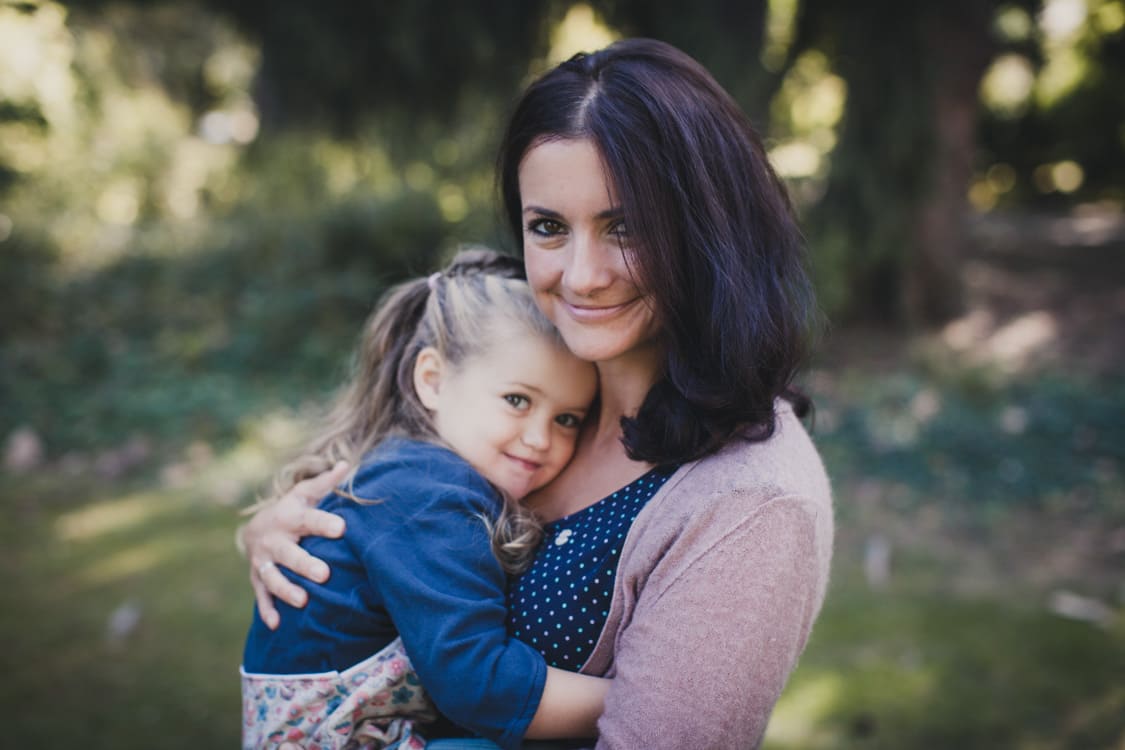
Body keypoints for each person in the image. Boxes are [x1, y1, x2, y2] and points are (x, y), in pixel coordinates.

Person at [242, 38, 833, 749]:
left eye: (626, 227)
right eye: (548, 227)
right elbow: (387, 529)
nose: (580, 276)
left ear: (707, 229)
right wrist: (290, 535)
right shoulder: (537, 401)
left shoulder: (747, 502)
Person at [240, 249, 607, 749]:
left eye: (567, 419)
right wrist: (636, 698)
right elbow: (482, 686)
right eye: (517, 400)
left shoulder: (412, 469)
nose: (541, 438)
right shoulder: (426, 494)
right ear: (432, 380)